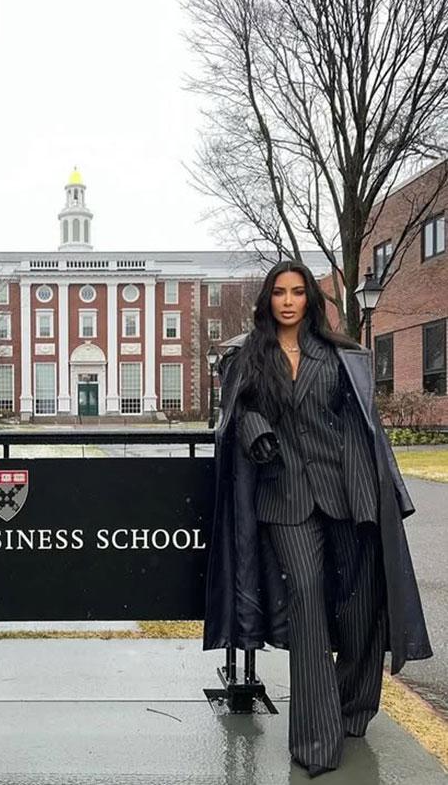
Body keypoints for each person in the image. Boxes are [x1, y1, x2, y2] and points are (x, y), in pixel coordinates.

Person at [203, 260, 432, 778]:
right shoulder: (250, 357)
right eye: (279, 292)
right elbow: (235, 413)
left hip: (348, 493)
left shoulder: (339, 354)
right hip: (284, 498)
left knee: (361, 605)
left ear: (310, 299)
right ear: (268, 300)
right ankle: (314, 741)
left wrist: (378, 493)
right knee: (306, 602)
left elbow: (364, 425)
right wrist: (257, 428)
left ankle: (353, 708)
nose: (288, 300)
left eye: (298, 292)